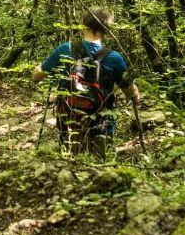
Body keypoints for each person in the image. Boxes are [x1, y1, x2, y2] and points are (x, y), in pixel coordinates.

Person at [32, 8, 140, 159]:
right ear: (107, 30)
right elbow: (132, 94)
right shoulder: (115, 58)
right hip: (102, 125)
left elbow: (37, 76)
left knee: (71, 166)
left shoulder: (65, 48)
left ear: (83, 25)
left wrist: (37, 69)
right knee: (101, 171)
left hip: (70, 123)